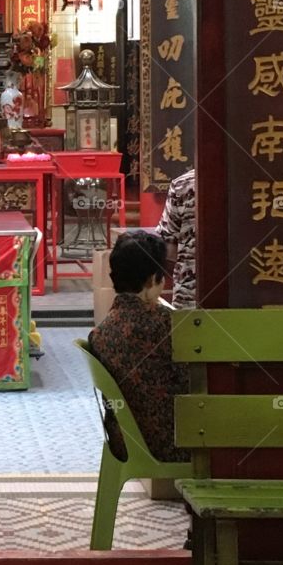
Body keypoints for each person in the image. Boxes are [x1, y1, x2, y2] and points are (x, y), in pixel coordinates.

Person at [88, 229, 189, 464]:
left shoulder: (101, 332)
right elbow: (191, 381)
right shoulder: (167, 323)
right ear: (152, 279)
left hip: (124, 441)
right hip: (171, 443)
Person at [156, 167, 196, 309]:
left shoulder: (182, 184)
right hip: (241, 293)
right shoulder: (246, 182)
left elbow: (169, 249)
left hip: (189, 294)